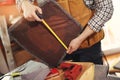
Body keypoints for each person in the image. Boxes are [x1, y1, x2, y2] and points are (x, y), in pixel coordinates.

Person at [16, 0, 114, 65]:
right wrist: (25, 4)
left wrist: (80, 38)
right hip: (54, 49)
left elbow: (106, 8)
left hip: (88, 45)